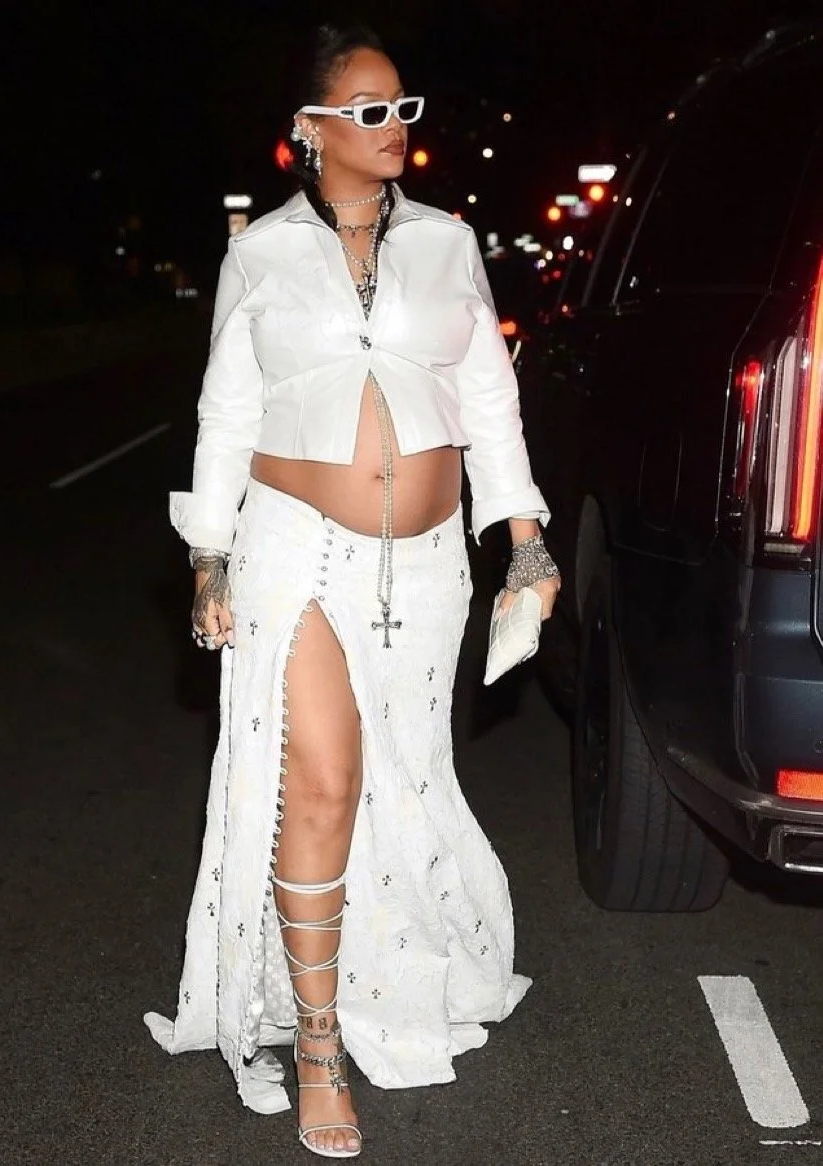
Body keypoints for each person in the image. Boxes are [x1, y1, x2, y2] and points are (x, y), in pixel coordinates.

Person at [145, 24, 560, 1160]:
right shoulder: (263, 256)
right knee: (322, 779)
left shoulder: (447, 243)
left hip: (425, 566)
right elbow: (227, 409)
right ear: (310, 129)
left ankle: (382, 969)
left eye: (402, 108)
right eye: (369, 110)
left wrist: (523, 540)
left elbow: (489, 400)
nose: (394, 127)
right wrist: (209, 553)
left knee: (402, 773)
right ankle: (317, 1044)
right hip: (296, 545)